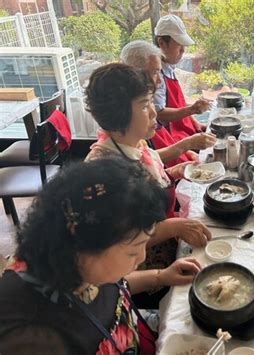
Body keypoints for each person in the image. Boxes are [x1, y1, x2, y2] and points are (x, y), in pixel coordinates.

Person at [0, 158, 201, 353]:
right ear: (83, 248)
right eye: (133, 251)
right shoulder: (34, 337)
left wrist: (160, 276)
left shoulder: (78, 264)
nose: (141, 258)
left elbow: (112, 287)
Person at [84, 63, 211, 307]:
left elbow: (147, 167)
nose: (154, 113)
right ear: (119, 115)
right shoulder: (103, 173)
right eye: (144, 105)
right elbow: (122, 241)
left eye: (151, 102)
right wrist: (174, 226)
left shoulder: (132, 142)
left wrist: (173, 172)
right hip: (142, 271)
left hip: (168, 249)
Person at [120, 40, 216, 167]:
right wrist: (187, 144)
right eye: (155, 73)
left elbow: (145, 153)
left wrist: (175, 170)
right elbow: (140, 162)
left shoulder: (143, 98)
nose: (160, 80)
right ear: (134, 74)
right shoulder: (126, 115)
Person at [152, 15, 211, 150]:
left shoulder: (170, 67)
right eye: (179, 44)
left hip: (183, 129)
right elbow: (159, 113)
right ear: (162, 43)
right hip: (172, 137)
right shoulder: (156, 74)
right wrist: (192, 109)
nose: (183, 50)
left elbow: (179, 104)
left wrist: (195, 124)